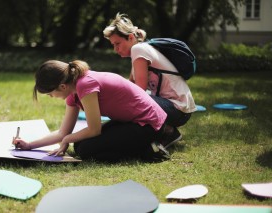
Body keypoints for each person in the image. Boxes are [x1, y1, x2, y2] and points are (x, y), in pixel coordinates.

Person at [13, 59, 172, 162]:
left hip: (150, 125)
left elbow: (94, 129)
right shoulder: (72, 91)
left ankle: (147, 148)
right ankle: (141, 144)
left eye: (50, 93)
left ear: (62, 86)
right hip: (132, 122)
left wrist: (67, 139)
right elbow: (63, 132)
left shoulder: (85, 84)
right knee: (80, 145)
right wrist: (29, 145)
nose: (50, 97)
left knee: (86, 151)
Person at [103, 13, 196, 148]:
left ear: (130, 37)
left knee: (132, 100)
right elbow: (129, 85)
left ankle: (167, 131)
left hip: (178, 109)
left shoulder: (138, 49)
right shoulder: (140, 49)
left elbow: (138, 91)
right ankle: (166, 131)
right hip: (176, 108)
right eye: (113, 45)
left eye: (117, 43)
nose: (115, 49)